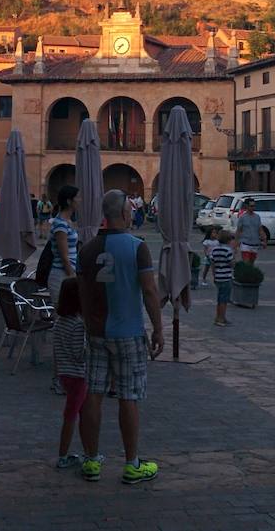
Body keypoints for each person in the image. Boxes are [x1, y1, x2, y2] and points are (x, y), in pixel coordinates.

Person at [77, 189, 164, 485]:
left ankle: (90, 461)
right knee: (129, 396)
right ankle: (132, 463)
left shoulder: (86, 250)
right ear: (126, 214)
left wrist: (89, 323)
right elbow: (150, 291)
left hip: (97, 332)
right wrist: (159, 328)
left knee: (93, 394)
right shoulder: (137, 247)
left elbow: (83, 291)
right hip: (128, 333)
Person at [52, 277, 89, 470]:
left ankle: (88, 451)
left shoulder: (59, 323)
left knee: (82, 413)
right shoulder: (77, 326)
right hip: (78, 375)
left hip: (65, 374)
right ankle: (63, 455)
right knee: (72, 415)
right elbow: (79, 355)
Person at [48, 186, 80, 300]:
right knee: (63, 314)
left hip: (68, 273)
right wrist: (72, 276)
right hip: (62, 275)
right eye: (77, 197)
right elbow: (64, 256)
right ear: (69, 201)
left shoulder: (68, 222)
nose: (80, 200)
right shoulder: (60, 224)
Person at [209, 230, 236, 328]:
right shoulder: (228, 251)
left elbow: (212, 263)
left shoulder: (214, 250)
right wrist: (234, 257)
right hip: (226, 277)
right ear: (228, 240)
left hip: (218, 277)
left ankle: (218, 317)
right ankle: (221, 318)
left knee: (219, 299)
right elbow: (231, 264)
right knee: (224, 300)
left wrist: (214, 275)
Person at [234, 199, 261, 263]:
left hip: (255, 244)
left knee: (251, 263)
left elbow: (260, 229)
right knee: (246, 263)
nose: (253, 208)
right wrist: (236, 243)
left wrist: (264, 239)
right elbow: (238, 231)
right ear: (246, 206)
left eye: (254, 206)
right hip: (245, 244)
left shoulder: (257, 217)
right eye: (251, 206)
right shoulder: (242, 217)